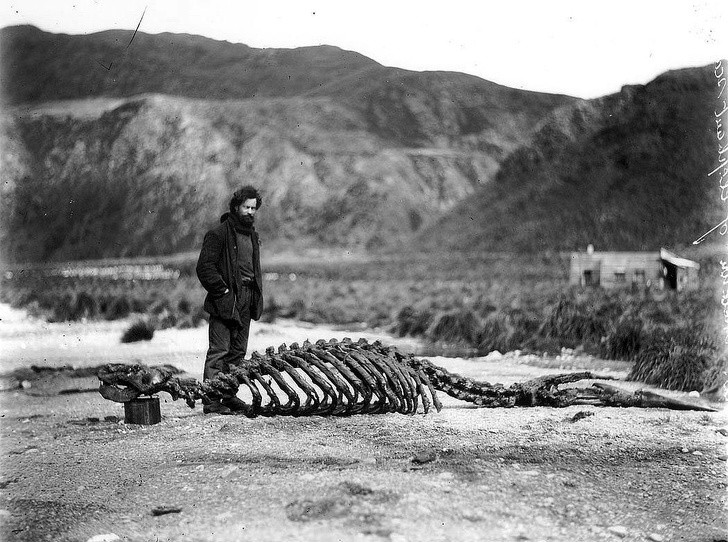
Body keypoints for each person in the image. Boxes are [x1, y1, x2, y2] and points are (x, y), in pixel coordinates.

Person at [196, 186, 264, 414]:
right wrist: (223, 292)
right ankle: (211, 400)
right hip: (225, 299)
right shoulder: (218, 234)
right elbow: (205, 268)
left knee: (237, 352)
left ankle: (228, 395)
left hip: (247, 298)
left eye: (253, 208)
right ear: (236, 207)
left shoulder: (253, 236)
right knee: (219, 350)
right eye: (246, 207)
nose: (250, 212)